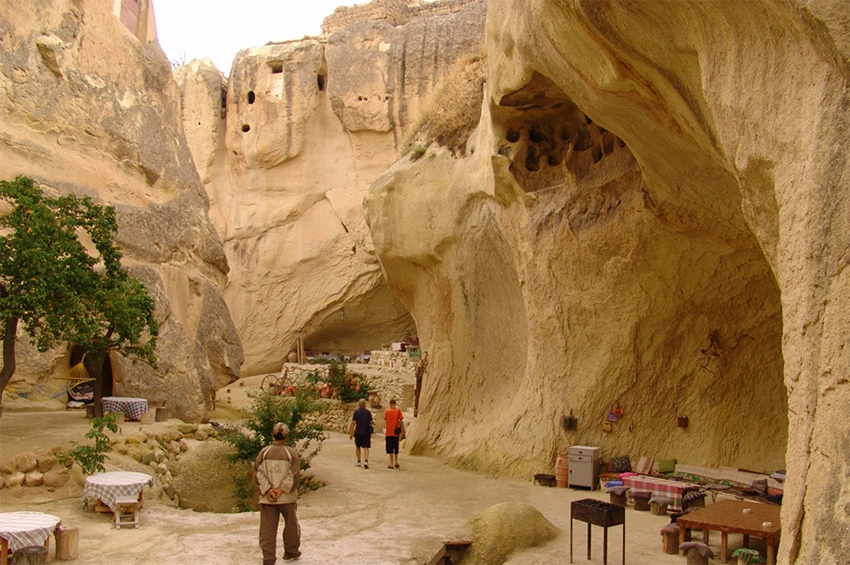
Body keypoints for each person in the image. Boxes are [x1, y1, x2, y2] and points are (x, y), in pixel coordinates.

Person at [254, 422, 301, 562]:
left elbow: (257, 472)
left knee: (267, 529)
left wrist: (268, 490)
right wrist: (281, 490)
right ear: (287, 436)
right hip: (287, 497)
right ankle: (291, 551)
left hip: (268, 498)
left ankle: (268, 559)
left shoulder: (264, 452)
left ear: (272, 436)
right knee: (291, 525)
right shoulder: (291, 453)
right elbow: (294, 474)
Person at [348, 398, 374, 469]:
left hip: (358, 432)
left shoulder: (356, 412)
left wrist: (351, 433)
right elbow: (371, 422)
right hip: (366, 432)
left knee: (358, 447)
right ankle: (366, 461)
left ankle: (359, 461)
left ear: (359, 405)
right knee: (366, 447)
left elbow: (353, 423)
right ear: (365, 405)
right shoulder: (368, 412)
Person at [384, 398, 404, 469]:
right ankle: (396, 462)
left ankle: (391, 463)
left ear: (390, 404)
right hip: (396, 432)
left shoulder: (387, 411)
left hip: (389, 432)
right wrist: (402, 431)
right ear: (395, 404)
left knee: (390, 448)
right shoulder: (398, 411)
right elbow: (401, 421)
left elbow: (385, 419)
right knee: (396, 448)